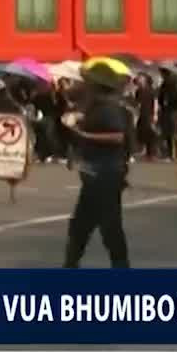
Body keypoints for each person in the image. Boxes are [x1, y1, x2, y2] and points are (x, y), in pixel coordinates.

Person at [62, 70, 133, 269]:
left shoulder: (109, 109)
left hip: (106, 173)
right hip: (95, 173)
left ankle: (121, 267)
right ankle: (70, 265)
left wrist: (85, 136)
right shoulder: (94, 108)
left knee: (109, 226)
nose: (84, 86)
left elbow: (117, 136)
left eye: (87, 83)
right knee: (81, 224)